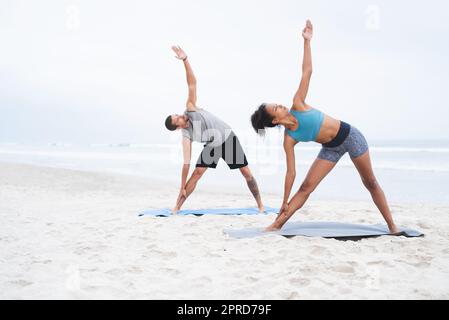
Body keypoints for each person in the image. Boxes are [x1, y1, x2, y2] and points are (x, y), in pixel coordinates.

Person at [250, 20, 399, 233]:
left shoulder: (297, 104)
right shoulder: (289, 139)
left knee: (370, 182)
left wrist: (307, 42)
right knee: (305, 188)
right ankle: (276, 224)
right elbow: (291, 172)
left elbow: (307, 72)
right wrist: (284, 200)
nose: (281, 105)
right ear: (274, 120)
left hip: (350, 136)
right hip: (330, 148)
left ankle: (392, 226)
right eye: (276, 108)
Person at [165, 46, 264, 214]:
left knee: (246, 172)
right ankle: (177, 207)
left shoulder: (190, 109)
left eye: (177, 115)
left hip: (226, 137)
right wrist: (182, 186)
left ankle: (260, 204)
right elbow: (186, 163)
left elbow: (192, 83)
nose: (181, 116)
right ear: (178, 127)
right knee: (196, 173)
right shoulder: (186, 135)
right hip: (212, 144)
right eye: (178, 119)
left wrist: (185, 60)